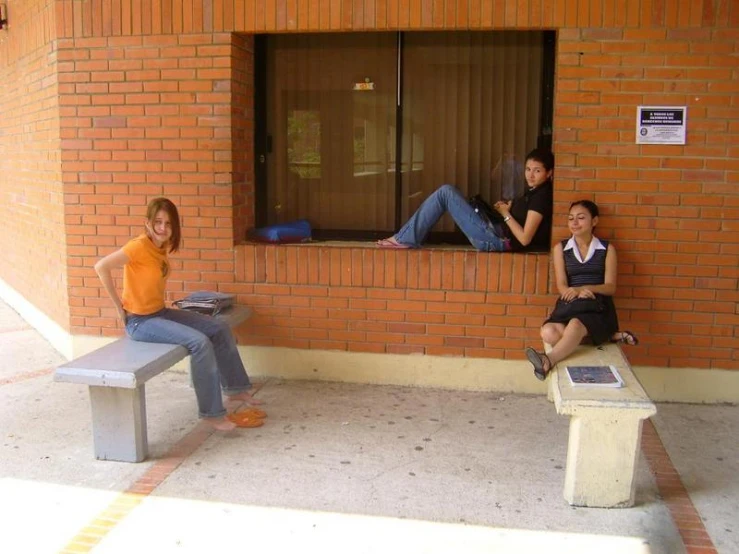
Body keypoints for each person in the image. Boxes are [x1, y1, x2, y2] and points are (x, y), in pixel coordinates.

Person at [94, 197, 262, 431]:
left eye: (169, 223)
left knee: (218, 327)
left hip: (159, 313)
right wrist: (118, 307)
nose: (163, 228)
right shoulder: (138, 247)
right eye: (158, 222)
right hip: (140, 322)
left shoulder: (160, 248)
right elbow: (101, 266)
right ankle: (211, 413)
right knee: (199, 343)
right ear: (148, 223)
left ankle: (236, 390)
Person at [524, 200, 639, 381]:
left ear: (594, 221)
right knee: (548, 332)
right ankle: (607, 335)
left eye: (580, 218)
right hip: (571, 302)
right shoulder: (560, 248)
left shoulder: (607, 249)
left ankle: (548, 360)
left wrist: (586, 288)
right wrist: (575, 291)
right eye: (571, 219)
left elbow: (610, 287)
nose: (574, 223)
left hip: (597, 305)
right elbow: (562, 284)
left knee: (576, 325)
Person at [376, 148, 554, 252]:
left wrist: (506, 214)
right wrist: (508, 207)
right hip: (494, 230)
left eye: (537, 171)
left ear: (549, 173)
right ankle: (405, 238)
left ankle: (404, 239)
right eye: (528, 169)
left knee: (446, 192)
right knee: (448, 192)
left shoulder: (542, 197)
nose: (530, 175)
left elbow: (524, 239)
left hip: (496, 240)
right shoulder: (535, 191)